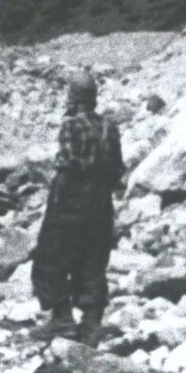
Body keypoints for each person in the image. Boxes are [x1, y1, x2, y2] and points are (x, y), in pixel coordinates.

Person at [30, 68, 124, 344]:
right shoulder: (110, 127)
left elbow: (68, 166)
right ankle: (91, 324)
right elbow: (117, 168)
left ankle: (62, 318)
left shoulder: (72, 125)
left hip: (72, 204)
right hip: (101, 205)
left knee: (51, 258)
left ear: (74, 97)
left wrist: (55, 200)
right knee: (93, 261)